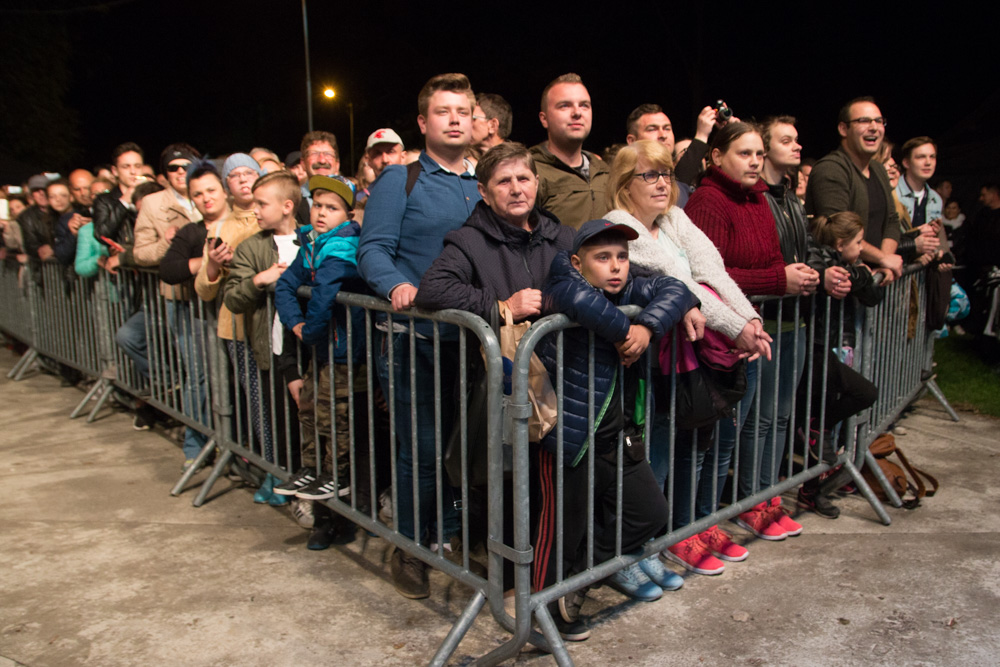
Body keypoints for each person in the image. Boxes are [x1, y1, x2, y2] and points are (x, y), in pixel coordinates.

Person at [603, 140, 766, 575]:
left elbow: (713, 272)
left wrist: (749, 319)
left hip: (692, 353)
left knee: (693, 441)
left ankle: (684, 530)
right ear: (625, 184)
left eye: (666, 174)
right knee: (655, 450)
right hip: (652, 363)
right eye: (649, 175)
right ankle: (644, 547)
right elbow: (681, 282)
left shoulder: (674, 217)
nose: (662, 183)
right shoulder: (619, 224)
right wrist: (734, 328)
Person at [533, 220, 698, 640]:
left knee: (650, 513)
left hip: (618, 435)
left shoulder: (627, 291)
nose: (616, 266)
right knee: (560, 532)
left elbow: (678, 289)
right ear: (578, 262)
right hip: (572, 438)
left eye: (622, 257)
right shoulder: (563, 284)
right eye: (602, 257)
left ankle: (582, 576)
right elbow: (576, 299)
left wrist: (647, 327)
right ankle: (542, 612)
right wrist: (628, 332)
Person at [358, 72, 481, 599]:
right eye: (443, 112)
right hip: (416, 342)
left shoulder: (483, 181)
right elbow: (372, 250)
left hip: (473, 344)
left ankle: (450, 536)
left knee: (464, 450)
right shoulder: (400, 179)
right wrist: (396, 285)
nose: (454, 120)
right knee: (424, 452)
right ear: (423, 122)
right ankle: (408, 547)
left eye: (463, 112)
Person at [686, 122, 814, 544]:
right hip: (718, 339)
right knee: (712, 441)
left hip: (747, 331)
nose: (756, 161)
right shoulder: (708, 200)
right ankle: (698, 525)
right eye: (745, 153)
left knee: (736, 436)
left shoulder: (758, 197)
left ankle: (744, 506)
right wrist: (778, 281)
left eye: (759, 153)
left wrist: (758, 311)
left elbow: (769, 261)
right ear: (716, 156)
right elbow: (710, 278)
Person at [275, 174, 369, 550]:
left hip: (344, 352)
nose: (321, 213)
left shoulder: (343, 246)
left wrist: (310, 331)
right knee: (310, 410)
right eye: (317, 205)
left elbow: (325, 294)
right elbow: (286, 285)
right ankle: (312, 469)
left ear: (348, 214)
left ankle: (335, 476)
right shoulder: (312, 244)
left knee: (335, 417)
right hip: (322, 349)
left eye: (332, 207)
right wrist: (297, 325)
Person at [737, 117, 820, 526]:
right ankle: (751, 501)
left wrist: (816, 271)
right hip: (766, 321)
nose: (797, 146)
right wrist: (782, 279)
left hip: (795, 321)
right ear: (766, 150)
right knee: (760, 419)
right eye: (787, 140)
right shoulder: (755, 199)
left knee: (783, 415)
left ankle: (769, 496)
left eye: (797, 139)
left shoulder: (790, 198)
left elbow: (809, 247)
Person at [222, 172, 302, 508]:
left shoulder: (313, 239)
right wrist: (259, 279)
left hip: (312, 349)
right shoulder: (251, 247)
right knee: (283, 424)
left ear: (287, 206)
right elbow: (232, 298)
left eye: (262, 203)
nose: (254, 210)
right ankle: (286, 482)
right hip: (274, 351)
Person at [797, 212, 882, 517]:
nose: (862, 248)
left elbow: (874, 294)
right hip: (811, 348)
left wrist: (858, 275)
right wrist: (845, 275)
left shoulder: (846, 267)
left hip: (828, 348)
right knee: (860, 394)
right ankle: (808, 483)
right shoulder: (819, 258)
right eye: (858, 242)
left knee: (828, 415)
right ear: (840, 243)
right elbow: (819, 269)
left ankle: (812, 487)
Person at [156, 159, 220, 468]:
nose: (206, 198)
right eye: (198, 194)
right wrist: (203, 263)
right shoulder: (191, 232)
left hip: (234, 318)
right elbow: (168, 269)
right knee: (199, 378)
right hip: (197, 315)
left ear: (224, 190)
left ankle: (235, 445)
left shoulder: (245, 224)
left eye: (211, 190)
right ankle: (195, 446)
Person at [805, 97, 903, 283]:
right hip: (841, 284)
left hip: (872, 279)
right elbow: (838, 231)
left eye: (879, 121)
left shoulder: (878, 169)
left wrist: (885, 260)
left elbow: (892, 220)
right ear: (843, 129)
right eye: (864, 121)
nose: (874, 127)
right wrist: (883, 259)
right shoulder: (831, 168)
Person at [530, 73, 609, 229]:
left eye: (584, 105)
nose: (577, 113)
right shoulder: (529, 171)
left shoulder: (604, 171)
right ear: (544, 119)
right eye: (565, 105)